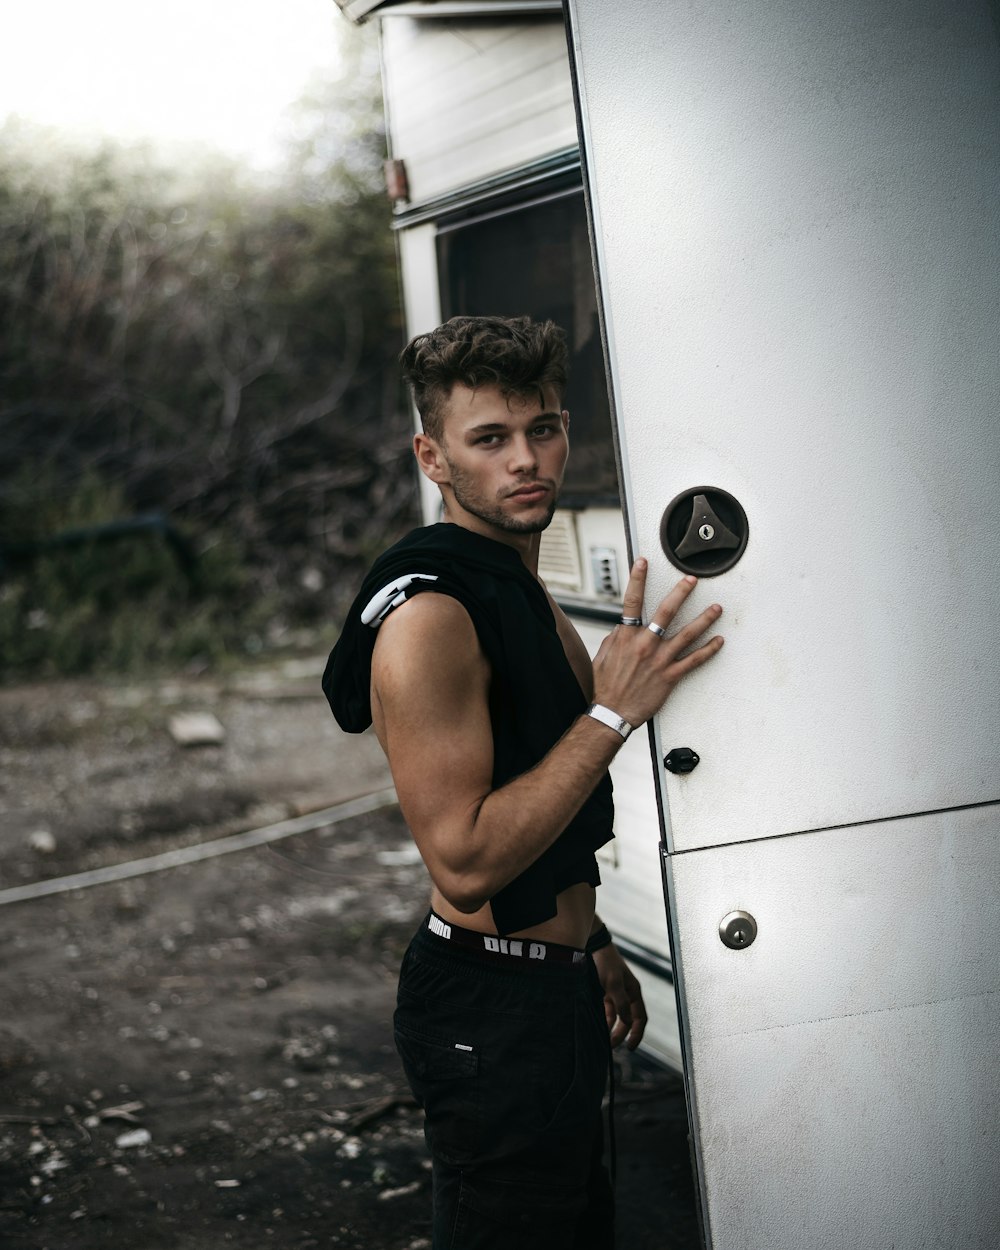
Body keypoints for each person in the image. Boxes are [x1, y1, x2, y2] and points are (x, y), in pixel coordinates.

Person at [323, 315, 724, 1249]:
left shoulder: (517, 581)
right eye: (490, 439)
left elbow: (536, 789)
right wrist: (613, 711)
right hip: (487, 1009)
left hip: (548, 985)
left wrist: (591, 944)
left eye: (543, 428)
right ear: (433, 455)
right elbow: (464, 865)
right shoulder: (433, 617)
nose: (525, 461)